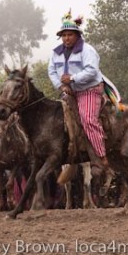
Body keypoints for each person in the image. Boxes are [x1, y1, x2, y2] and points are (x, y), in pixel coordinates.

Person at [47, 11, 110, 172]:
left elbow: (92, 71)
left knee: (87, 119)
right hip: (69, 92)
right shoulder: (56, 53)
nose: (66, 38)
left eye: (69, 35)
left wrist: (73, 78)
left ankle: (101, 156)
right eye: (64, 35)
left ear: (77, 35)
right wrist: (60, 86)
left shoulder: (87, 50)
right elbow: (52, 71)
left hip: (89, 90)